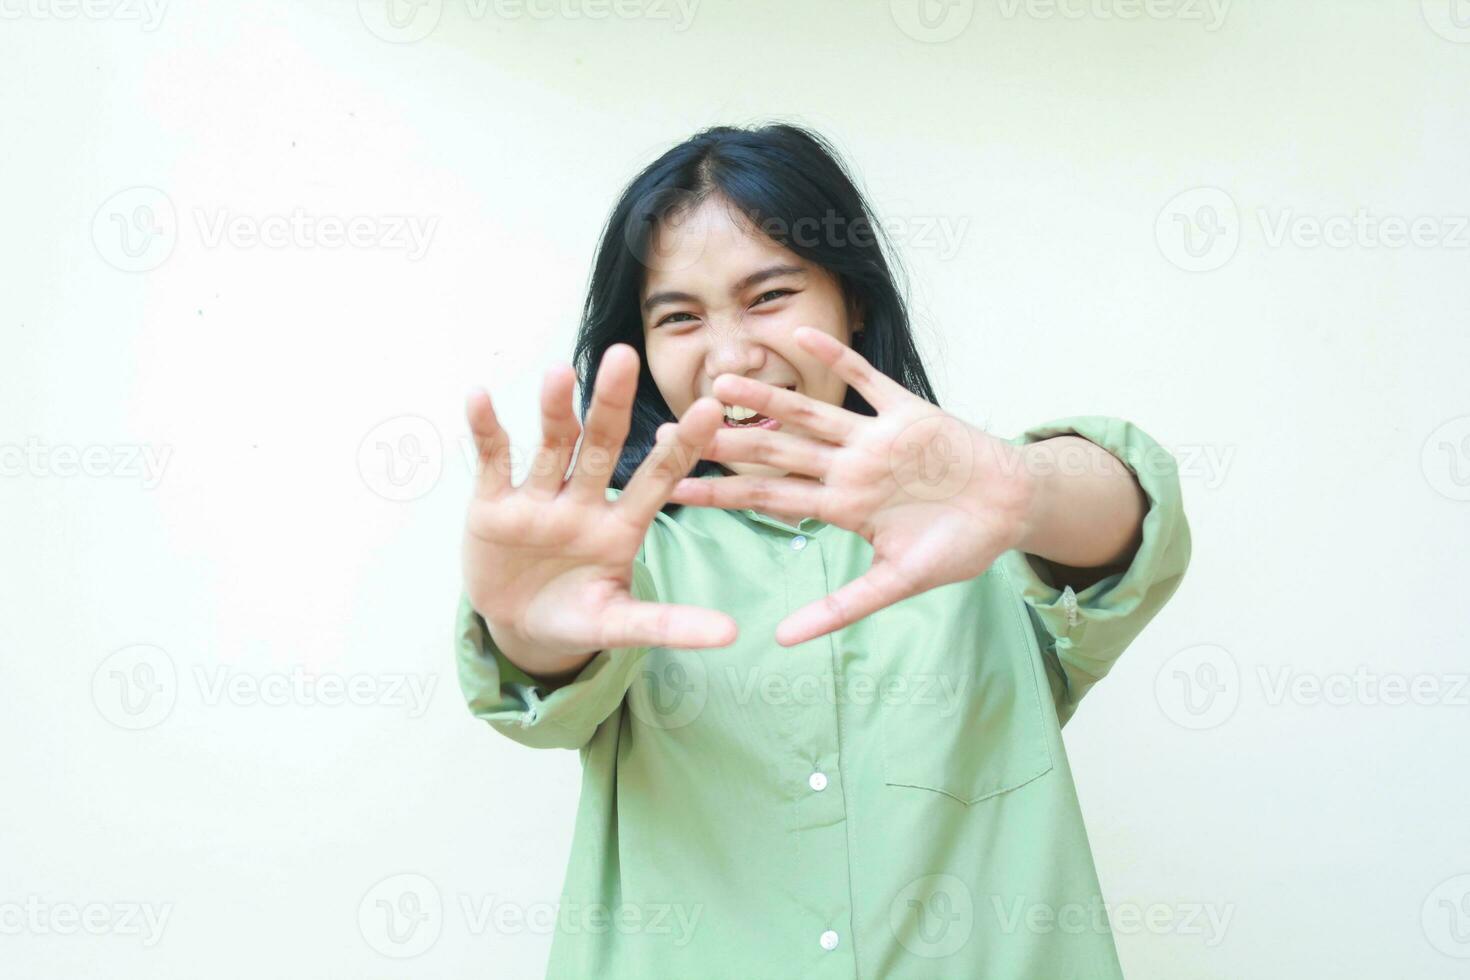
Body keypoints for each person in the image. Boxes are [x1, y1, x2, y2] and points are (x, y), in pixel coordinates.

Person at [455, 123, 1191, 979]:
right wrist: (532, 631)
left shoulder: (971, 514)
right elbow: (549, 671)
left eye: (769, 296)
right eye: (680, 317)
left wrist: (1024, 491)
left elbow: (1135, 524)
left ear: (856, 303)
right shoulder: (627, 550)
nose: (732, 356)